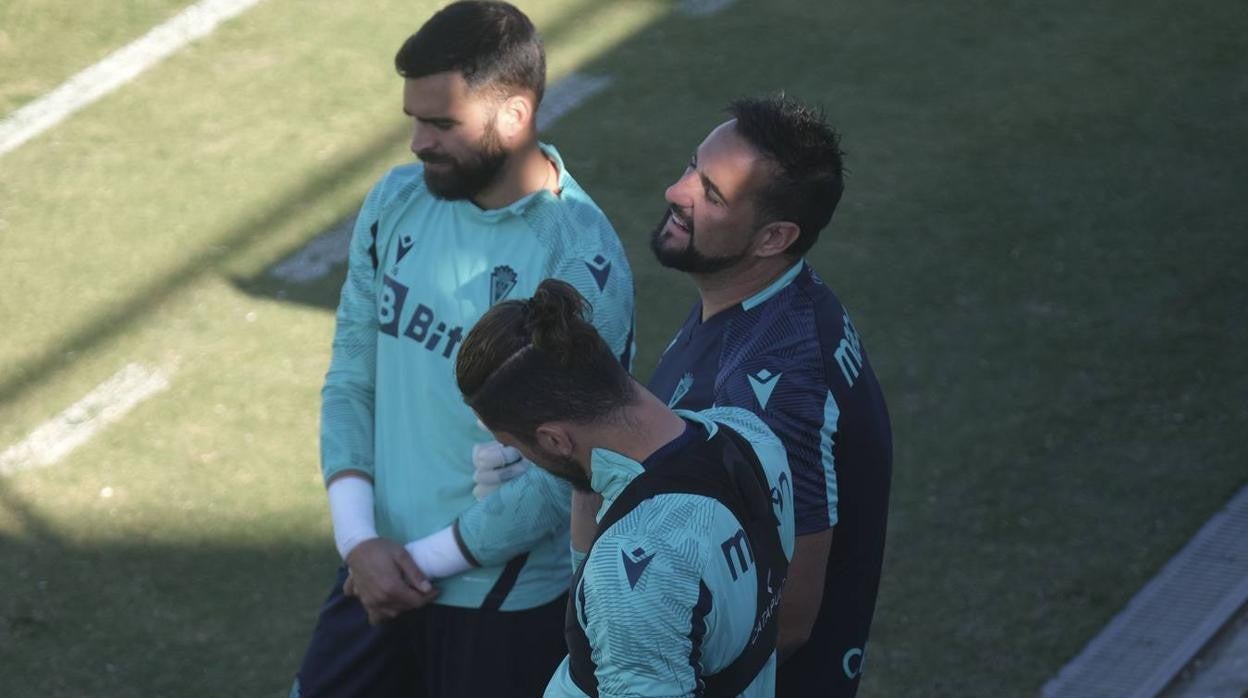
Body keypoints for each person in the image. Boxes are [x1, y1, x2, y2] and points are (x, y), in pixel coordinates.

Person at [291, 3, 635, 696]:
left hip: (498, 599)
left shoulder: (579, 263)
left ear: (512, 116)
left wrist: (407, 564)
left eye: (441, 124)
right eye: (415, 119)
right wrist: (359, 543)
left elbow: (566, 467)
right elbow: (352, 378)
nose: (418, 142)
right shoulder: (395, 203)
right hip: (375, 571)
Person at [646, 95, 893, 697]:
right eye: (690, 167)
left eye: (711, 193)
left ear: (773, 237)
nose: (677, 193)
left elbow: (788, 619)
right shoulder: (765, 301)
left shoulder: (776, 389)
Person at [455, 279, 796, 697]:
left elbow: (632, 578)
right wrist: (585, 473)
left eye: (517, 446)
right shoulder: (749, 435)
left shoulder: (633, 571)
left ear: (555, 440)